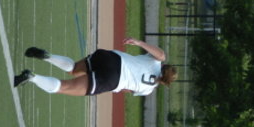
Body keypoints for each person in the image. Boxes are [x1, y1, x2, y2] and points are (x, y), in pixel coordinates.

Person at [13, 37, 178, 97]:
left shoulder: (156, 61)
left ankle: (48, 56)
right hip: (113, 79)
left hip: (111, 58)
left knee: (74, 69)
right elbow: (124, 90)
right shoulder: (148, 90)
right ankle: (32, 77)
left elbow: (161, 55)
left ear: (165, 67)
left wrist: (139, 42)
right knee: (64, 87)